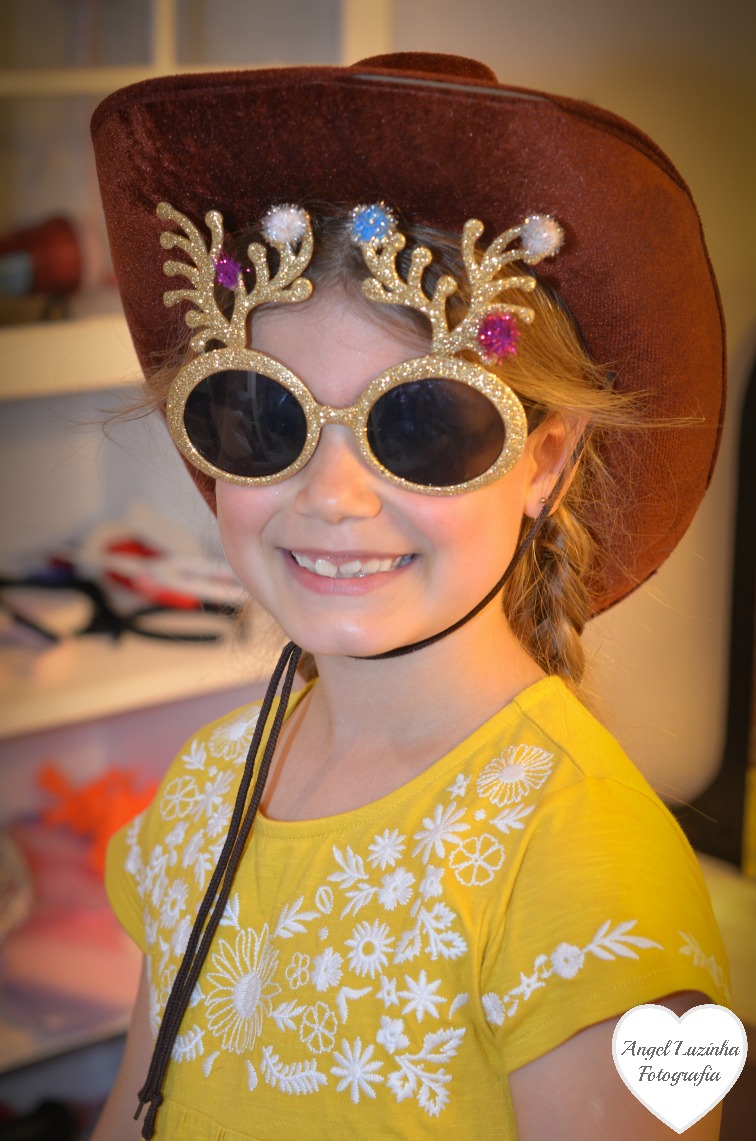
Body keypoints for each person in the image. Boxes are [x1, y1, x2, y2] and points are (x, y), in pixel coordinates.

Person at [90, 54, 729, 1140]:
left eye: (424, 426)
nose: (332, 498)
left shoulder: (586, 863)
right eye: (267, 417)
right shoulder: (208, 790)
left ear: (545, 462)